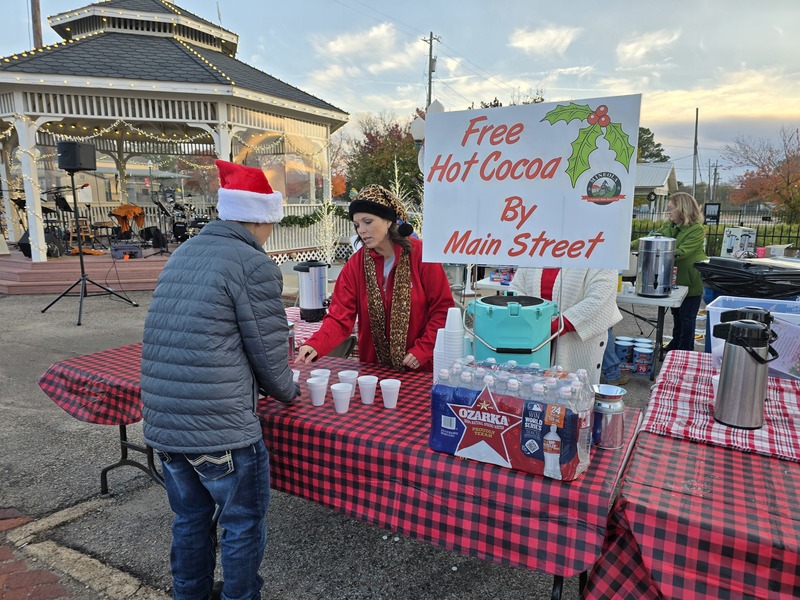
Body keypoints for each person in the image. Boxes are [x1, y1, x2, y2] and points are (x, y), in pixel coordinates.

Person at [141, 160, 299, 600]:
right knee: (241, 522)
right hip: (219, 426)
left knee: (190, 518)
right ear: (261, 218)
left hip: (164, 421)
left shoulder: (185, 251)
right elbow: (269, 357)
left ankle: (188, 594)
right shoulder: (253, 263)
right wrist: (291, 391)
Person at [296, 184, 454, 371]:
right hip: (373, 372)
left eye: (368, 221)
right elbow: (340, 318)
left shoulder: (421, 255)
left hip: (419, 369)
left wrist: (423, 349)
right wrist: (316, 344)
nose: (361, 230)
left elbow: (443, 310)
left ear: (388, 221)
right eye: (357, 225)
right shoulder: (355, 265)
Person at [510, 268, 622, 385]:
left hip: (574, 340)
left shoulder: (600, 256)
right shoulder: (534, 253)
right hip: (532, 333)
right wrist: (531, 321)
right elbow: (516, 288)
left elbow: (600, 298)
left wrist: (558, 325)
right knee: (530, 388)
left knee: (571, 391)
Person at [656, 192, 708, 352]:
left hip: (691, 280)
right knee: (677, 315)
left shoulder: (696, 229)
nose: (668, 212)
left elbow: (683, 251)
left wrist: (656, 252)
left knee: (687, 318)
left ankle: (685, 349)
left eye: (671, 208)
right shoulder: (670, 227)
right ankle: (675, 343)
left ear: (682, 209)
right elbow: (654, 238)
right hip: (675, 279)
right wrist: (631, 245)